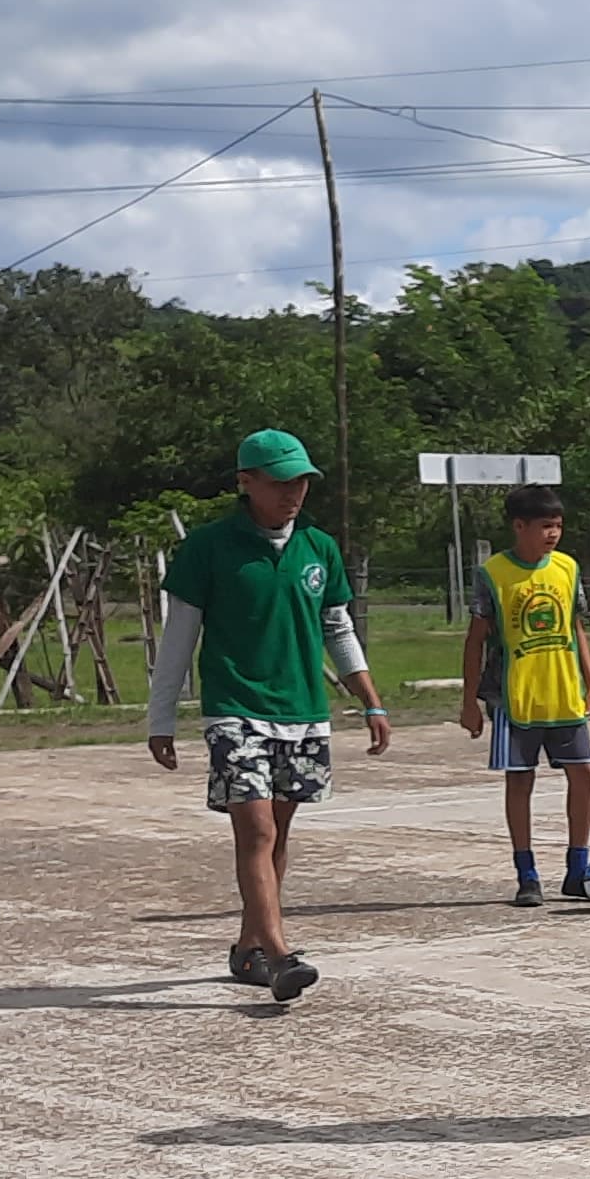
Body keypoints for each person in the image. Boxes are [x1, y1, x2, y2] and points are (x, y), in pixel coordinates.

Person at [143, 428, 391, 1004]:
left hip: (303, 711)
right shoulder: (208, 548)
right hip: (235, 709)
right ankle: (280, 957)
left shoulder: (318, 547)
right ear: (246, 482)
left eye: (301, 481)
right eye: (280, 482)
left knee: (277, 834)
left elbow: (337, 628)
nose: (293, 493)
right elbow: (179, 639)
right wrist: (162, 718)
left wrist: (370, 699)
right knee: (255, 830)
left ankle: (249, 947)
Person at [456, 482, 590, 906]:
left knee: (585, 773)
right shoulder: (493, 574)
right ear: (519, 526)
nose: (553, 534)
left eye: (557, 525)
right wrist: (469, 701)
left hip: (563, 693)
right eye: (544, 526)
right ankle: (527, 873)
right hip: (515, 697)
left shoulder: (567, 569)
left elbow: (575, 628)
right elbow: (475, 640)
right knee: (520, 780)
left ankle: (577, 869)